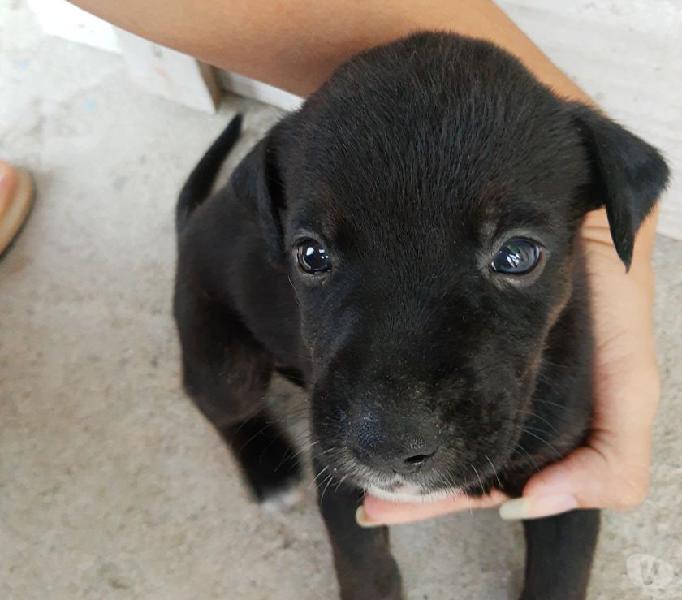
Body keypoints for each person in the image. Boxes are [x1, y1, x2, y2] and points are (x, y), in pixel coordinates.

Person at [56, 0, 659, 525]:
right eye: (314, 255)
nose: (397, 431)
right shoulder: (273, 199)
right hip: (226, 309)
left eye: (515, 255)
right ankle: (242, 433)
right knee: (228, 391)